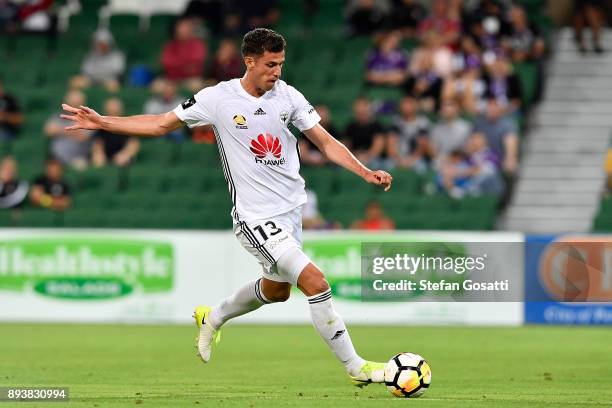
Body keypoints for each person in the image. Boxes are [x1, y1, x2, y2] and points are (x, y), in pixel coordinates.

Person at [61, 27, 393, 387]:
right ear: (249, 61)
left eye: (281, 64)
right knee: (315, 282)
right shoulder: (218, 98)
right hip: (254, 217)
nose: (277, 72)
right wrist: (103, 122)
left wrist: (363, 171)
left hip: (290, 212)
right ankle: (355, 366)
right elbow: (159, 124)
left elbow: (325, 142)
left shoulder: (289, 97)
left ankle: (213, 317)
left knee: (277, 290)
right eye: (269, 64)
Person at [45, 90, 92, 170]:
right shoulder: (58, 116)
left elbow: (83, 137)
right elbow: (48, 131)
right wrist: (71, 131)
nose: (74, 105)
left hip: (78, 158)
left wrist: (60, 131)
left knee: (80, 166)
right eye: (72, 102)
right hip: (56, 158)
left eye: (77, 102)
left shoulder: (88, 119)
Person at [161, 18, 207, 92]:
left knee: (198, 87)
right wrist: (184, 64)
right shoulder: (170, 45)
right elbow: (166, 63)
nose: (182, 30)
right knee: (157, 86)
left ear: (191, 30)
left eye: (186, 28)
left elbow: (195, 64)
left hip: (191, 79)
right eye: (180, 28)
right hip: (172, 80)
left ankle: (190, 104)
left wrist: (176, 64)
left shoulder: (198, 44)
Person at [91, 98, 140, 168]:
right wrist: (99, 156)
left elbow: (133, 143)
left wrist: (125, 154)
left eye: (115, 111)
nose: (112, 114)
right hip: (106, 159)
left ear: (121, 111)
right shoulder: (100, 127)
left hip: (123, 159)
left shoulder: (128, 125)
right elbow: (98, 145)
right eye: (110, 111)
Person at [343, 96, 387, 166]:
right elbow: (346, 146)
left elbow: (378, 147)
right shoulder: (350, 126)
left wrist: (366, 157)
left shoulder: (377, 126)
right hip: (355, 157)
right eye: (359, 112)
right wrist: (356, 156)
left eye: (364, 108)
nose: (361, 110)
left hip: (374, 159)